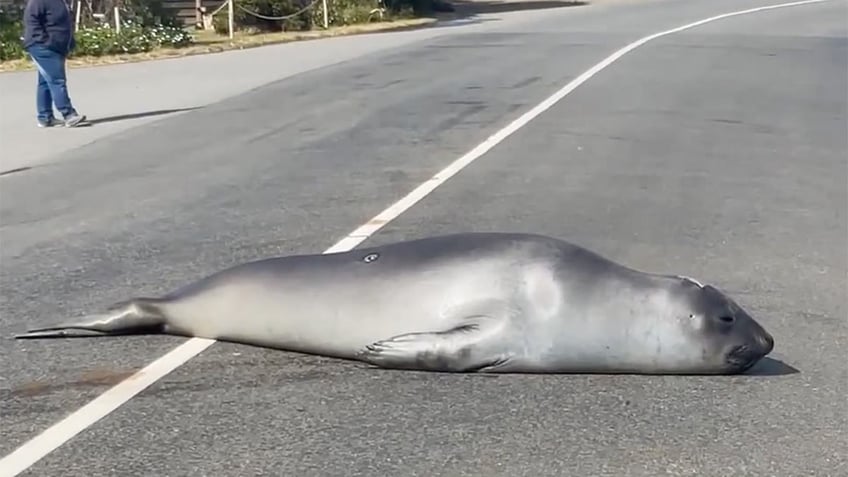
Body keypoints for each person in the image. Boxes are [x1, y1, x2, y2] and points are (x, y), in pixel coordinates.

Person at [22, 0, 86, 128]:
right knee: (57, 80)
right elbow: (32, 22)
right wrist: (45, 41)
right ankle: (69, 114)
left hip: (56, 47)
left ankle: (45, 117)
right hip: (42, 46)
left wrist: (69, 42)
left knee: (45, 82)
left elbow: (63, 24)